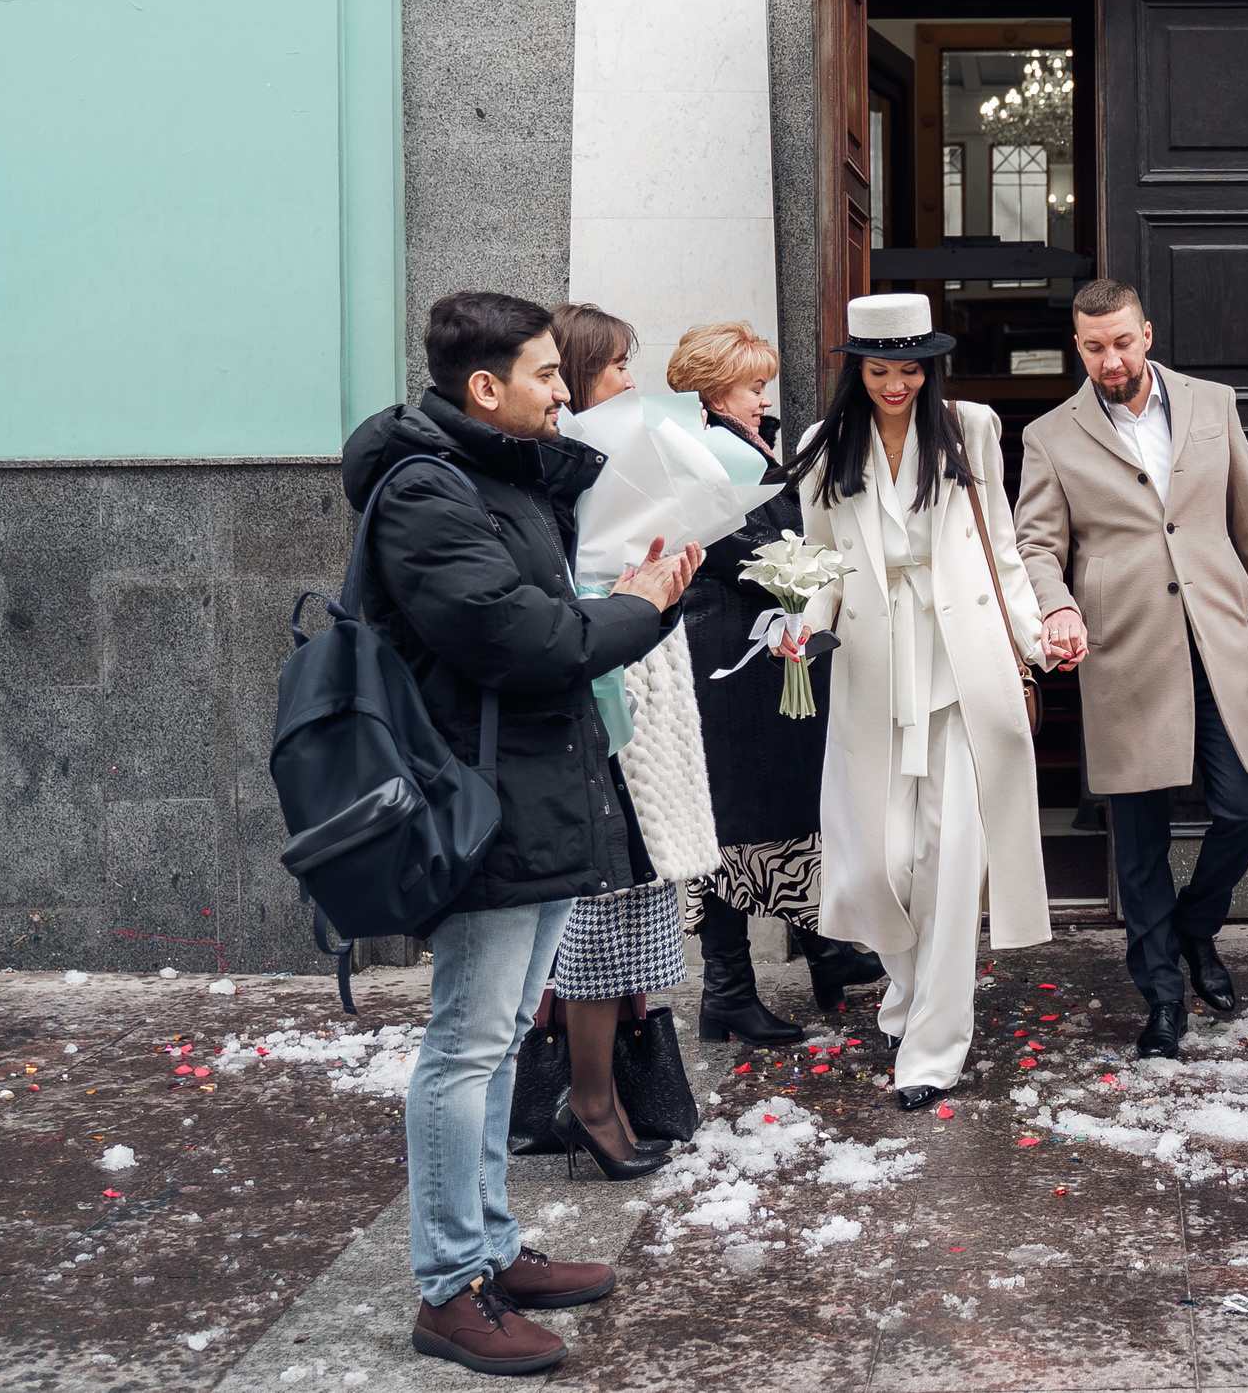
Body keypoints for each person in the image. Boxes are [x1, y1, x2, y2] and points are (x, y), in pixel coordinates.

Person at [343, 291, 701, 1375]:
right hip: (478, 800)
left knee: (497, 1041)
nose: (566, 392)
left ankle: (490, 1249)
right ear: (484, 387)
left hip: (535, 791)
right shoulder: (424, 493)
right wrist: (637, 603)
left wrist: (653, 588)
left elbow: (563, 629)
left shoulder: (500, 476)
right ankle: (451, 1288)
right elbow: (519, 639)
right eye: (547, 375)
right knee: (466, 1044)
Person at [1017, 279, 1248, 1060]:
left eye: (1120, 341)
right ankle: (1161, 994)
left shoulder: (1213, 404)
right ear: (1076, 347)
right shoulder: (1051, 434)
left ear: (1145, 332)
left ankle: (1194, 925)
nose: (1109, 359)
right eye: (1092, 346)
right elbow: (1036, 544)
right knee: (1139, 835)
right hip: (1122, 647)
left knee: (1247, 802)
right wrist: (1055, 606)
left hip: (1216, 636)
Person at [786, 293, 1054, 1111]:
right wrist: (799, 625)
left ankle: (935, 1045)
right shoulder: (822, 446)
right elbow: (820, 563)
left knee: (949, 862)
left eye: (910, 369)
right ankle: (902, 994)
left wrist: (1037, 637)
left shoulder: (970, 428)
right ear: (855, 371)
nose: (896, 383)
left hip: (960, 667)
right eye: (879, 369)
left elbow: (1000, 544)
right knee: (877, 862)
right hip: (871, 667)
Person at [666, 320, 885, 1043]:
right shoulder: (702, 452)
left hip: (765, 652)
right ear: (715, 386)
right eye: (754, 385)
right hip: (728, 657)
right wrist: (805, 570)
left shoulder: (747, 442)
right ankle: (726, 988)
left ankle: (826, 951)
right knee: (732, 822)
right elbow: (738, 550)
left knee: (788, 805)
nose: (764, 398)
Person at [527, 302, 694, 1180]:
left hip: (620, 702)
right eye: (619, 364)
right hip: (587, 721)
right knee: (598, 914)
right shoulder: (551, 478)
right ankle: (589, 1104)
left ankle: (596, 1094)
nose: (634, 380)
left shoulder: (599, 465)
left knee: (616, 913)